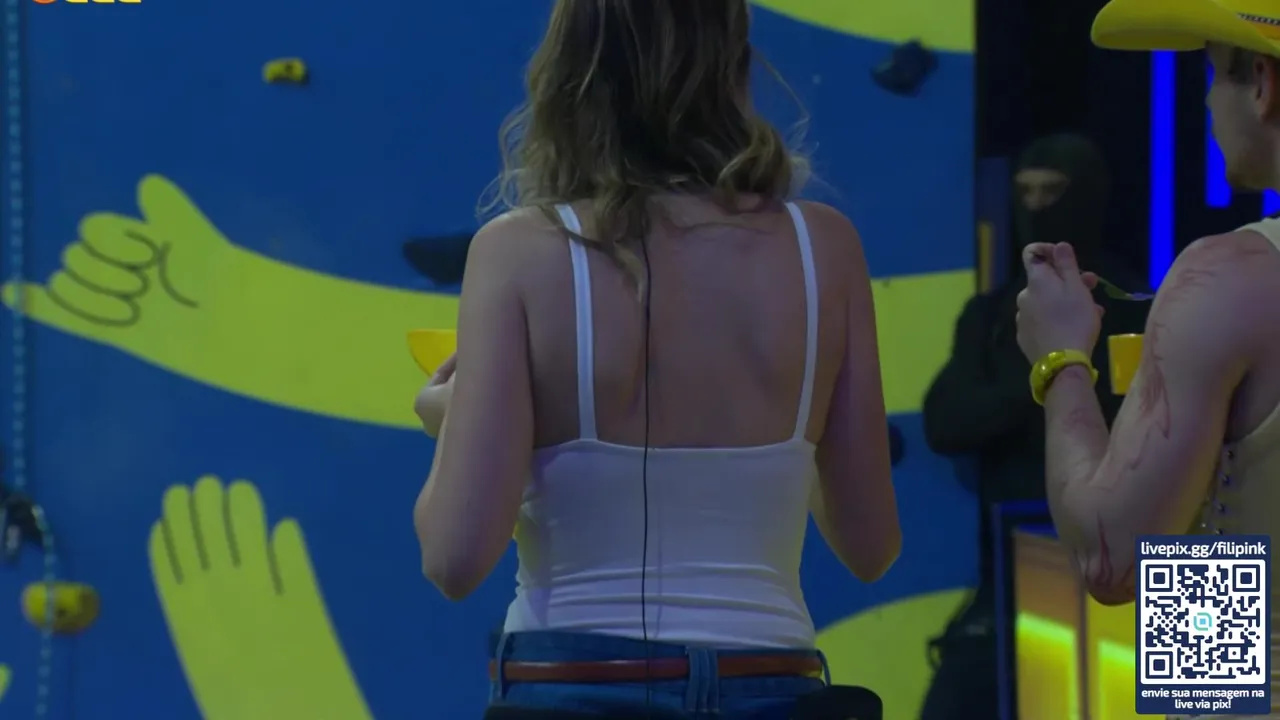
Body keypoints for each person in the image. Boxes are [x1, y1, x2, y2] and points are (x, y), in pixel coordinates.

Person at [409, 2, 902, 718]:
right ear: (732, 62)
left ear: (573, 69)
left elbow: (453, 558)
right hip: (773, 683)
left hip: (576, 684)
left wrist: (453, 419)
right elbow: (871, 545)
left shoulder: (520, 251)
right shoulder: (821, 247)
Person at [1017, 2, 1280, 716]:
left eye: (1212, 74)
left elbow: (1112, 558)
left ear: (1263, 83)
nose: (1206, 101)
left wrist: (1061, 360)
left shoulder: (1232, 278)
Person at [918, 134, 1148, 720]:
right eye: (1027, 192)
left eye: (1054, 192)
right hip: (1021, 566)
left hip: (1163, 567)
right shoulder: (995, 316)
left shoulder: (1161, 304)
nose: (1038, 208)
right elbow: (946, 420)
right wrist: (1055, 368)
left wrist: (1056, 364)